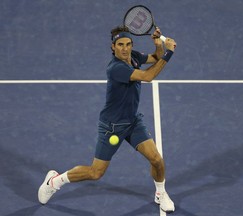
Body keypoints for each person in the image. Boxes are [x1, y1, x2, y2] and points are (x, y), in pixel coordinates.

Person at [38, 25, 177, 213]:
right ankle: (55, 181)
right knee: (95, 173)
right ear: (113, 47)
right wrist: (169, 53)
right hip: (112, 127)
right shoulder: (116, 68)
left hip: (133, 122)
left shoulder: (132, 56)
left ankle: (160, 193)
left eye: (128, 44)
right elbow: (148, 76)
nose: (125, 48)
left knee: (157, 160)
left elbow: (154, 58)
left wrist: (158, 46)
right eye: (120, 44)